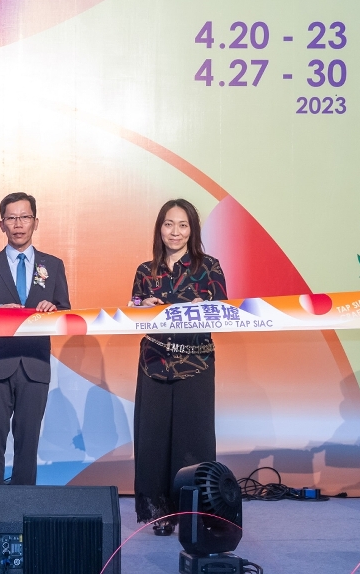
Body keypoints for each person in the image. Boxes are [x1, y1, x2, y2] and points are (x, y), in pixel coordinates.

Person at [131, 198, 226, 536]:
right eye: (169, 224)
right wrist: (143, 305)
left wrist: (203, 306)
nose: (175, 231)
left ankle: (194, 512)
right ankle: (159, 513)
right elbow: (133, 308)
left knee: (192, 441)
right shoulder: (146, 270)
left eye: (183, 225)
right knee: (153, 440)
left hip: (195, 364)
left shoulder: (209, 267)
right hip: (153, 363)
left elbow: (222, 309)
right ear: (160, 228)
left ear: (192, 230)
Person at [0, 192, 70, 487]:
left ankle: (24, 502)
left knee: (28, 442)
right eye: (11, 218)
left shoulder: (53, 265)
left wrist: (53, 309)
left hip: (35, 365)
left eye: (25, 217)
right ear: (2, 224)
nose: (18, 224)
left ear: (36, 222)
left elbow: (66, 312)